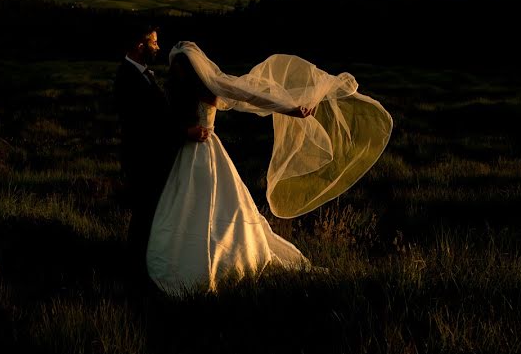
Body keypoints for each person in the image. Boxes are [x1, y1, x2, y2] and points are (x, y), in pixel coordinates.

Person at [146, 42, 393, 295]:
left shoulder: (204, 86)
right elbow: (166, 121)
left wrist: (291, 109)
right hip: (187, 153)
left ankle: (218, 258)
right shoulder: (178, 90)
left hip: (202, 152)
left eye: (179, 67)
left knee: (211, 205)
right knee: (189, 205)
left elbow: (252, 95)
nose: (175, 71)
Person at [114, 26, 199, 284]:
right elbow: (146, 125)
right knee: (144, 216)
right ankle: (137, 272)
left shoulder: (139, 73)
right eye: (154, 42)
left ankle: (146, 264)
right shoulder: (128, 78)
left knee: (152, 215)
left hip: (152, 158)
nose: (158, 47)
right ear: (141, 45)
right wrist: (185, 131)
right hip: (143, 160)